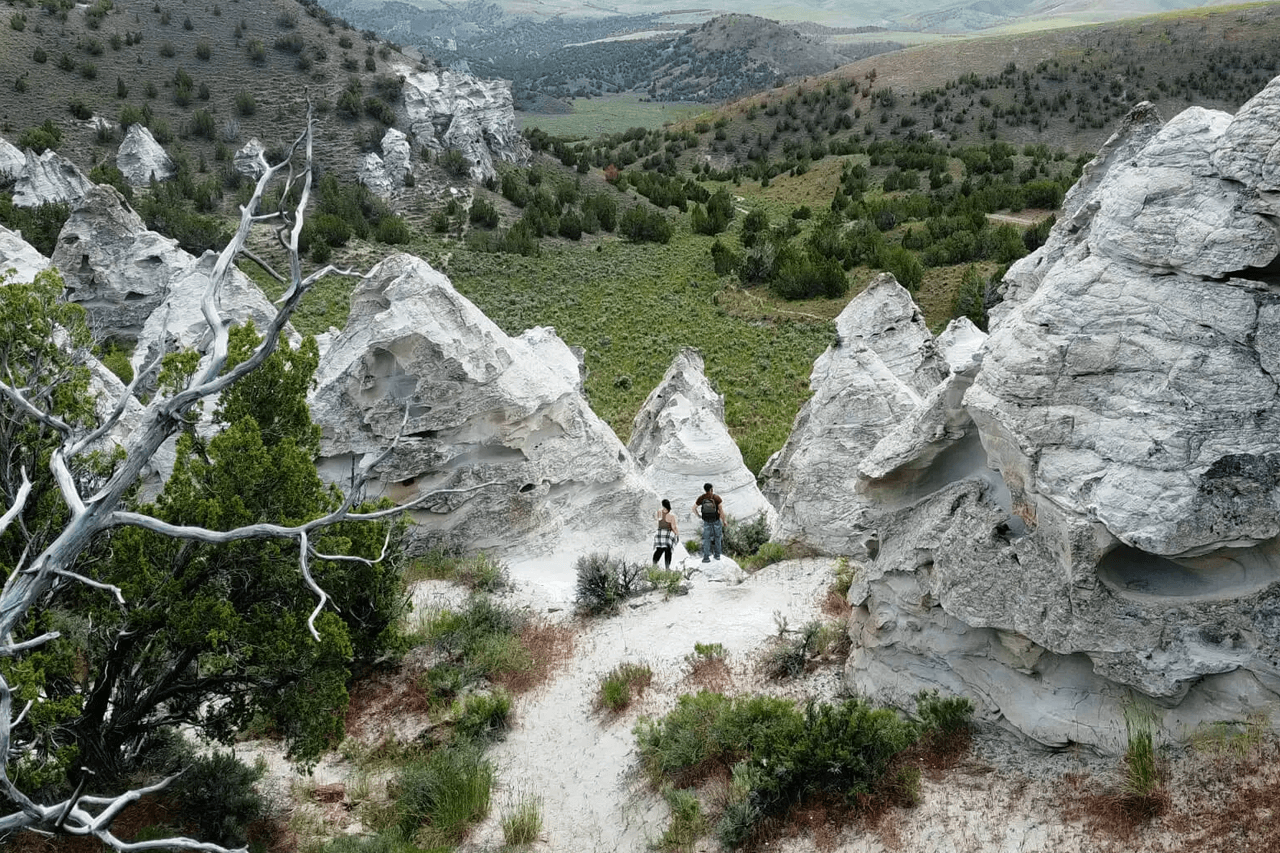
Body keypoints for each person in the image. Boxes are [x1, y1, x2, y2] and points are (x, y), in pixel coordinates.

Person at [693, 483, 723, 563]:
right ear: (711, 489)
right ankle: (717, 556)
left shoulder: (702, 498)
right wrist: (724, 520)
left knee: (706, 539)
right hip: (716, 520)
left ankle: (706, 557)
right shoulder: (716, 498)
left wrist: (699, 516)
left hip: (706, 521)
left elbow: (693, 508)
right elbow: (721, 510)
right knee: (717, 537)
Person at [652, 498, 679, 570]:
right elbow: (673, 526)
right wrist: (677, 534)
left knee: (659, 550)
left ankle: (654, 566)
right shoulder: (671, 515)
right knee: (668, 551)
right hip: (667, 534)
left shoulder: (659, 512)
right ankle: (667, 568)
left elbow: (656, 520)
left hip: (659, 533)